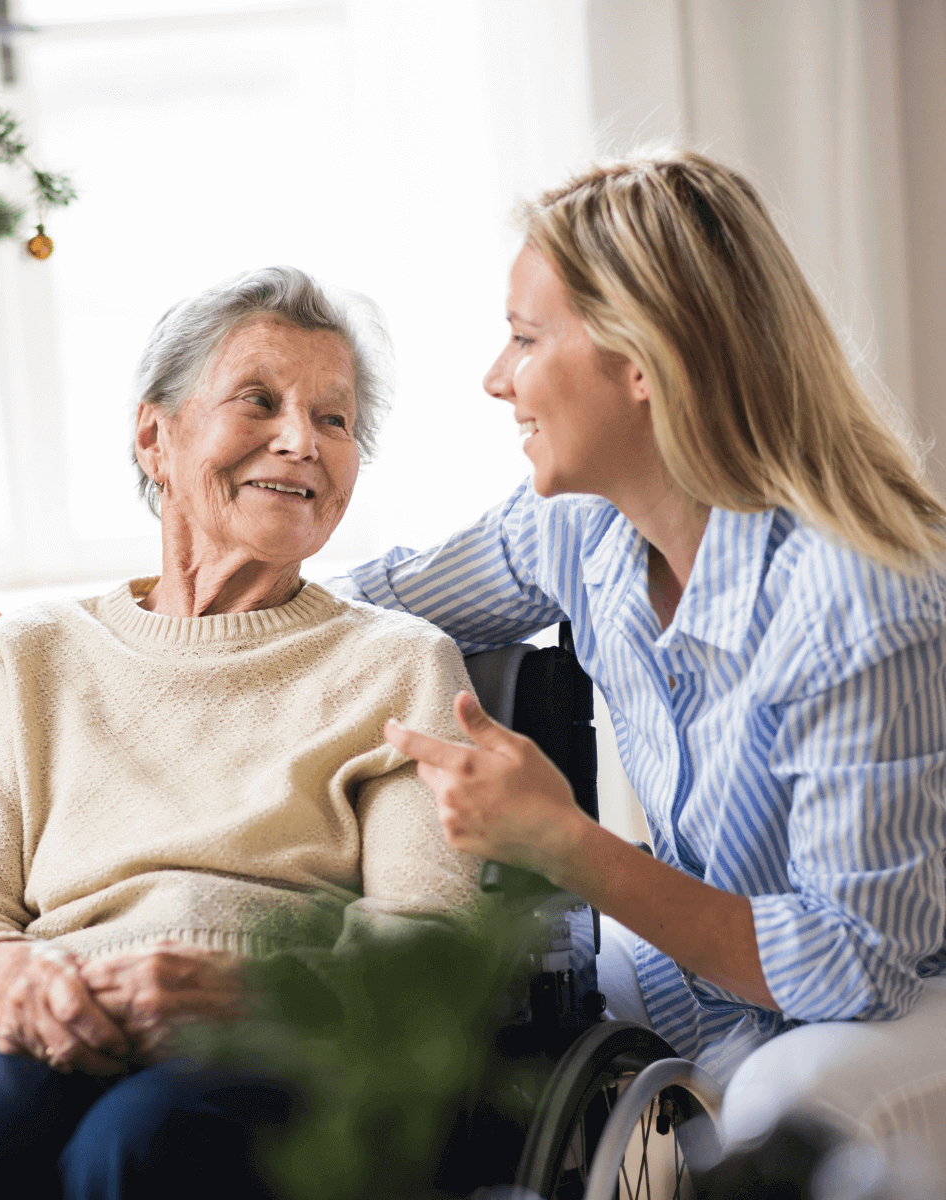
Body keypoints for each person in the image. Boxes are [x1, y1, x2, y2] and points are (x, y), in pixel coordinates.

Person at [362, 150, 946, 1133]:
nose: (493, 379)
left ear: (640, 362)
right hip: (733, 974)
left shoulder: (855, 593)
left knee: (781, 1105)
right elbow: (380, 603)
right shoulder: (580, 529)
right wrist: (106, 625)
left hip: (899, 992)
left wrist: (562, 841)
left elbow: (853, 962)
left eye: (521, 339)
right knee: (472, 1019)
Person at [0, 266, 482, 1199]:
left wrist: (252, 995)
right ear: (155, 436)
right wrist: (2, 977)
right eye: (259, 400)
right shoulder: (27, 655)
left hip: (278, 1047)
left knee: (136, 1148)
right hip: (50, 1018)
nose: (301, 441)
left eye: (335, 420)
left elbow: (430, 943)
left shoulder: (401, 666)